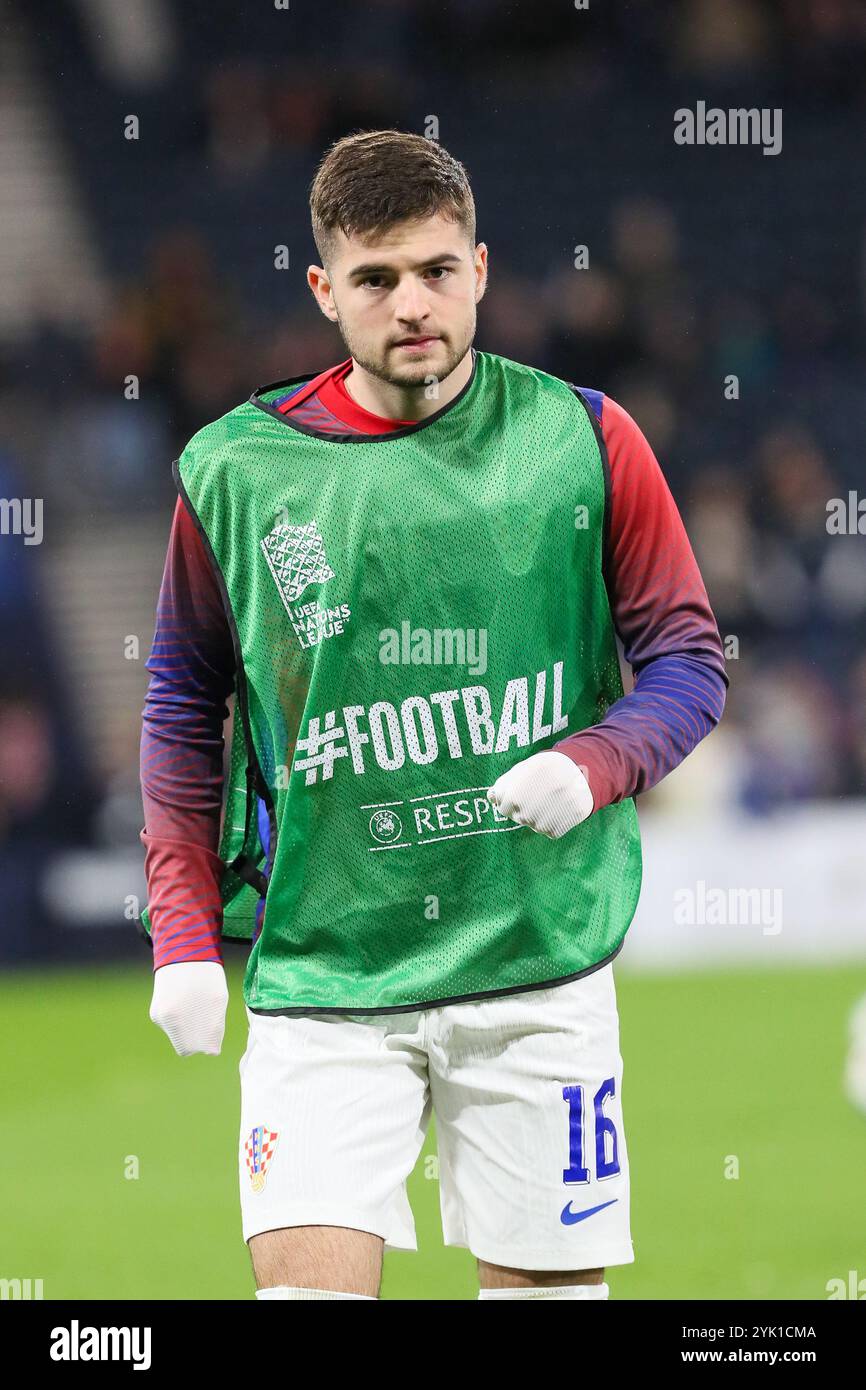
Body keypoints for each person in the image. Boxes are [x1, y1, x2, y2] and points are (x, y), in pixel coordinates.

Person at [139, 129, 727, 1301]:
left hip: (535, 961)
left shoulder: (582, 437)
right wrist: (183, 933)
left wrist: (597, 761)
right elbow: (182, 701)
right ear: (323, 289)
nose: (410, 303)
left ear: (480, 269)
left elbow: (687, 658)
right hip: (328, 971)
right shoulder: (236, 471)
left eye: (435, 270)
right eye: (375, 278)